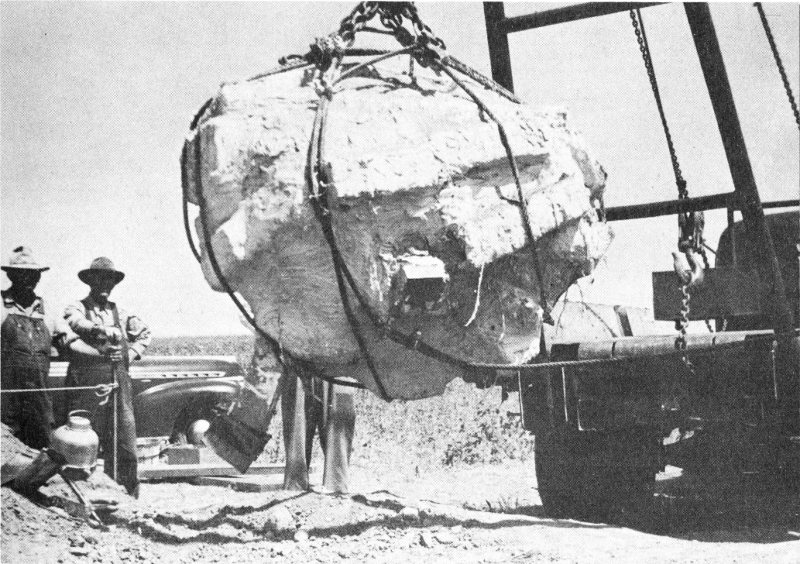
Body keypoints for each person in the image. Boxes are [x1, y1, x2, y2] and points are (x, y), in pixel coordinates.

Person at [63, 257, 150, 496]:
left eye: (109, 281)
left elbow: (145, 334)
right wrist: (100, 330)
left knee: (124, 439)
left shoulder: (122, 313)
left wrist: (129, 354)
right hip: (86, 386)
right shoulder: (76, 308)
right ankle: (83, 494)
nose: (105, 285)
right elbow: (75, 324)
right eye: (100, 279)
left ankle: (126, 494)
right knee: (82, 440)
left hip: (118, 384)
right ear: (90, 281)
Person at [1, 247, 73, 449]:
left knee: (43, 451)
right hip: (5, 400)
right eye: (22, 273)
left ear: (39, 277)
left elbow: (70, 342)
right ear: (11, 275)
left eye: (33, 274)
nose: (28, 279)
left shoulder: (48, 309)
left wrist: (102, 351)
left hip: (39, 401)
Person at [282, 359, 356, 494]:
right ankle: (295, 484)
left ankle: (336, 485)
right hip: (297, 358)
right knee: (297, 424)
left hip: (338, 361)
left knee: (339, 415)